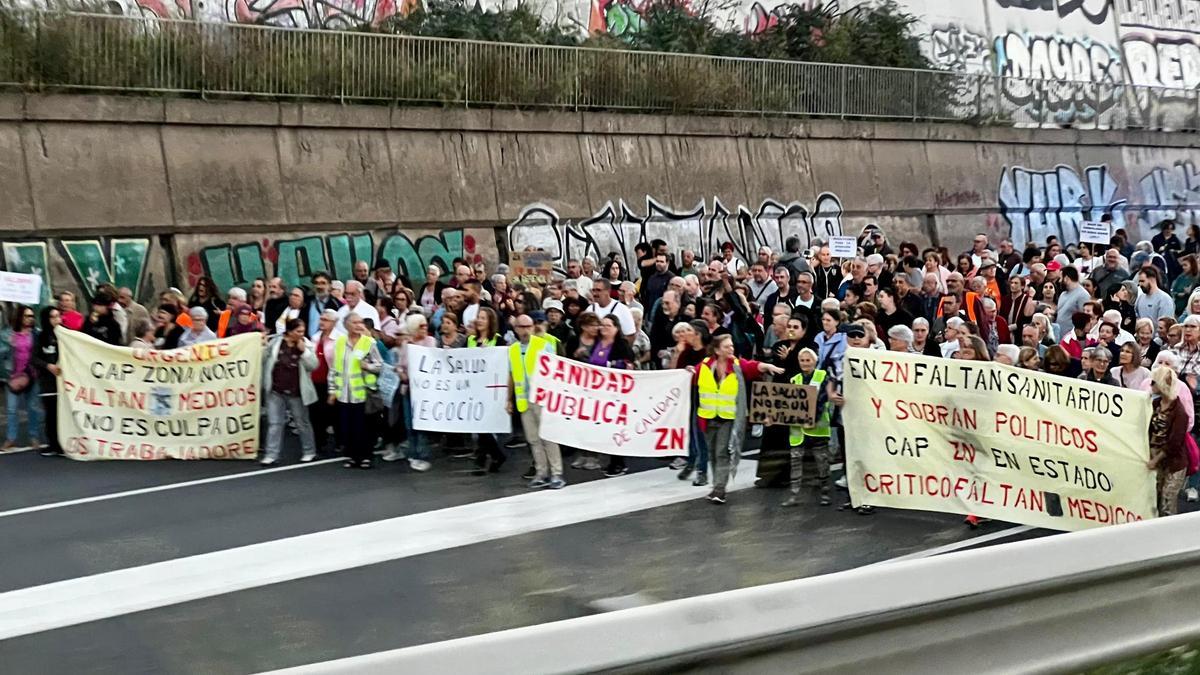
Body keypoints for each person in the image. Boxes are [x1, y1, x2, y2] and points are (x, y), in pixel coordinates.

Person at [694, 334, 784, 504]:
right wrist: (687, 371)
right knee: (712, 453)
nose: (731, 349)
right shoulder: (704, 366)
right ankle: (716, 485)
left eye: (732, 346)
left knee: (722, 452)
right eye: (727, 346)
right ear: (717, 349)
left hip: (728, 418)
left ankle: (720, 488)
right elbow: (691, 377)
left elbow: (753, 367)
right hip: (707, 417)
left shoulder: (736, 365)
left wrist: (767, 366)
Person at [507, 314, 565, 489]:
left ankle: (556, 473)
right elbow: (511, 375)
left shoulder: (543, 346)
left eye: (528, 326)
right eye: (521, 327)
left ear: (533, 327)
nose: (524, 330)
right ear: (515, 329)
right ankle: (541, 472)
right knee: (533, 439)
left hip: (542, 398)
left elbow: (555, 371)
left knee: (548, 437)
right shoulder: (513, 349)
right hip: (524, 400)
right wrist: (509, 399)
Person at [328, 314, 383, 469]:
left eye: (360, 322)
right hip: (344, 394)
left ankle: (365, 456)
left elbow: (380, 366)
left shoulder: (369, 343)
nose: (359, 325)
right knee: (348, 427)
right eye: (355, 322)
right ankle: (352, 456)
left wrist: (368, 367)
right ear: (346, 325)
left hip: (363, 394)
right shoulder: (339, 343)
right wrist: (332, 390)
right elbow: (334, 368)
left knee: (363, 428)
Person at [261, 318, 319, 465]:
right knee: (274, 423)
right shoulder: (276, 342)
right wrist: (262, 345)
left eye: (303, 331)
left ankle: (309, 451)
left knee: (302, 423)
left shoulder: (306, 344)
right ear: (290, 331)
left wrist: (304, 351)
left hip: (296, 391)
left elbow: (313, 365)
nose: (301, 334)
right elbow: (264, 357)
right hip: (276, 389)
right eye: (298, 331)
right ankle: (271, 454)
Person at [385, 314, 436, 472]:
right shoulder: (407, 345)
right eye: (421, 326)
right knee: (409, 424)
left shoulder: (430, 342)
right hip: (409, 389)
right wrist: (401, 373)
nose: (425, 328)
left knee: (421, 425)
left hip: (424, 390)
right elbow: (400, 365)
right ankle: (412, 454)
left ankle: (422, 455)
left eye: (425, 325)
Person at [781, 348, 832, 507]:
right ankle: (794, 495)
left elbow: (823, 400)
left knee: (821, 462)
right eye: (802, 360)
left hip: (818, 428)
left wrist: (812, 418)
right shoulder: (794, 380)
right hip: (797, 431)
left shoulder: (823, 376)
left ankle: (825, 492)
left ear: (815, 361)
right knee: (795, 461)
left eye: (808, 360)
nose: (804, 363)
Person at [591, 315, 637, 477]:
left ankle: (619, 462)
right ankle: (612, 460)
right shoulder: (597, 343)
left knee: (616, 427)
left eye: (608, 325)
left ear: (616, 328)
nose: (604, 328)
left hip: (616, 394)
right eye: (602, 325)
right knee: (606, 428)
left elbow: (629, 363)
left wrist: (611, 365)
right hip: (600, 393)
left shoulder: (621, 345)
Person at [1147, 366, 1189, 517]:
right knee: (1154, 500)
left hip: (1173, 463)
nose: (1151, 385)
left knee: (1167, 502)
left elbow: (1175, 443)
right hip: (1157, 458)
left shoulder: (1180, 412)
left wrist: (1155, 459)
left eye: (1154, 382)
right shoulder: (1155, 404)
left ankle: (1171, 536)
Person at [1, 304, 41, 451]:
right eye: (27, 316)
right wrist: (8, 345)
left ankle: (34, 435)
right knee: (11, 409)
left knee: (32, 406)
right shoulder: (8, 334)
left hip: (32, 375)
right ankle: (11, 438)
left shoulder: (36, 333)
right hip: (13, 376)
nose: (30, 319)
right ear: (19, 317)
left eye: (32, 316)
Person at [31, 305, 62, 456]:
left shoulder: (66, 334)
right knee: (51, 414)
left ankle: (64, 443)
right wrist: (47, 366)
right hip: (48, 383)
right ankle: (53, 444)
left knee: (62, 414)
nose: (57, 320)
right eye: (53, 317)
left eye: (58, 316)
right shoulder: (41, 337)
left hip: (65, 382)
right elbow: (34, 358)